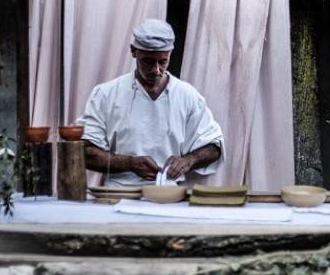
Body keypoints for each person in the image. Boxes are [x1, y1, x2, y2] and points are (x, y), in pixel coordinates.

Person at [79, 19, 223, 186]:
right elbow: (85, 152)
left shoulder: (188, 96)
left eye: (162, 62)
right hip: (119, 193)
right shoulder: (105, 94)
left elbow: (214, 147)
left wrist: (189, 160)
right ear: (134, 51)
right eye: (148, 61)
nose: (156, 70)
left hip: (169, 195)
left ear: (170, 53)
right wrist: (129, 163)